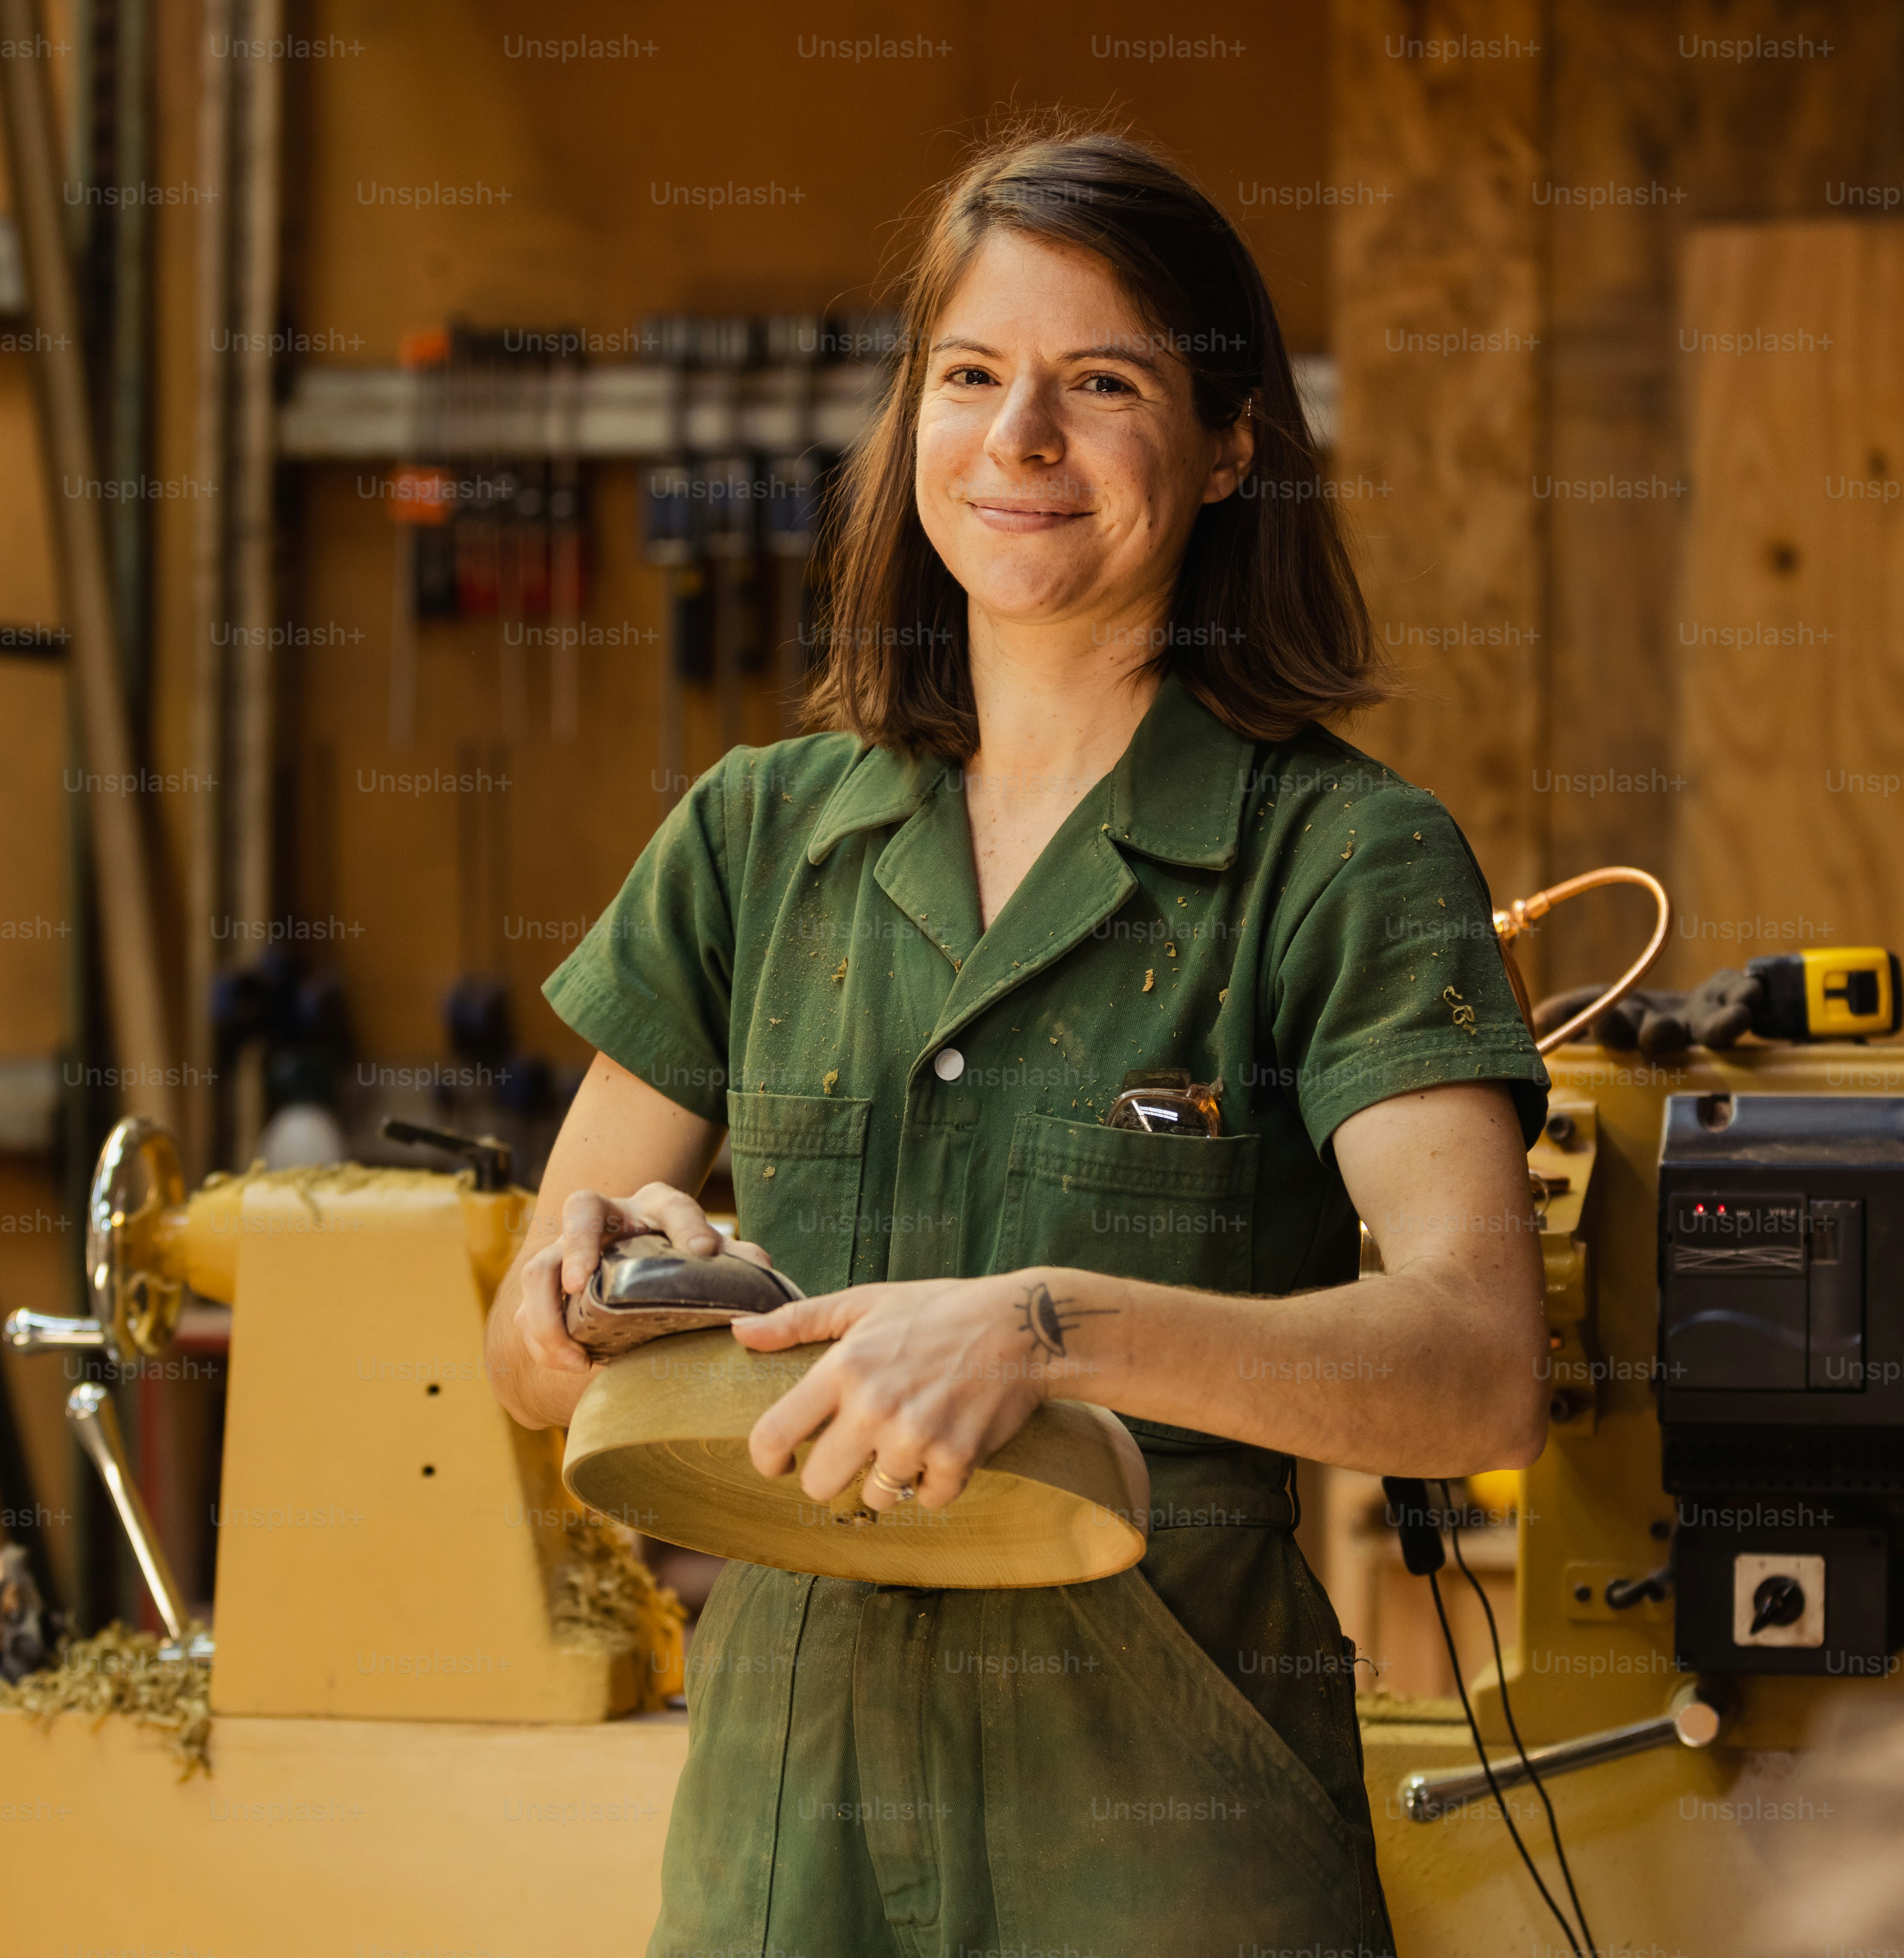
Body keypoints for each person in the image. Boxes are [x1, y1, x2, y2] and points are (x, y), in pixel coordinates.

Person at [487, 117, 1551, 1958]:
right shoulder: (754, 836)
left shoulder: (1343, 859)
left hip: (1157, 1815)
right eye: (970, 375)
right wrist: (600, 1285)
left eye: (1101, 383)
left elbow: (1473, 1369)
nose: (1019, 439)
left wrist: (1044, 1330)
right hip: (788, 1821)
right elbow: (523, 1366)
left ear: (1228, 446)